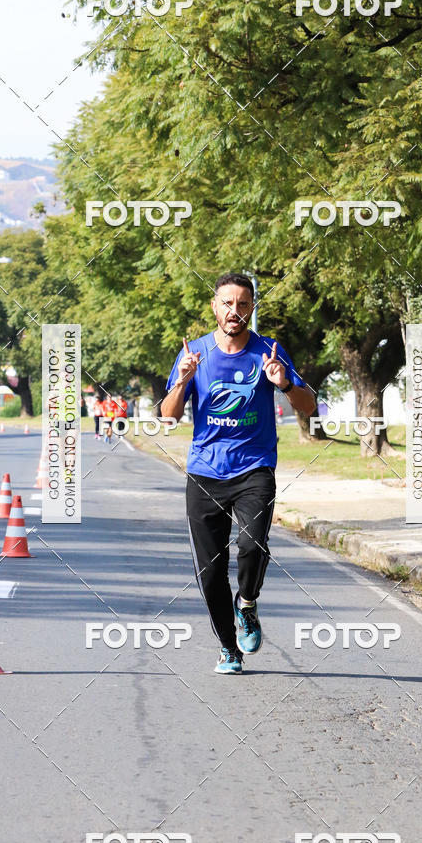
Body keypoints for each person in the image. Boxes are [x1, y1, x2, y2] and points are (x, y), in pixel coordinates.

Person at [161, 272, 315, 674]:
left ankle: (247, 602)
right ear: (214, 307)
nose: (235, 311)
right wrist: (182, 382)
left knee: (253, 546)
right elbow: (169, 415)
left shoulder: (269, 352)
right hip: (205, 472)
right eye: (227, 303)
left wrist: (283, 384)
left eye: (243, 304)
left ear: (251, 309)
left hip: (254, 468)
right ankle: (229, 648)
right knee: (210, 570)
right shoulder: (193, 353)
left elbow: (309, 406)